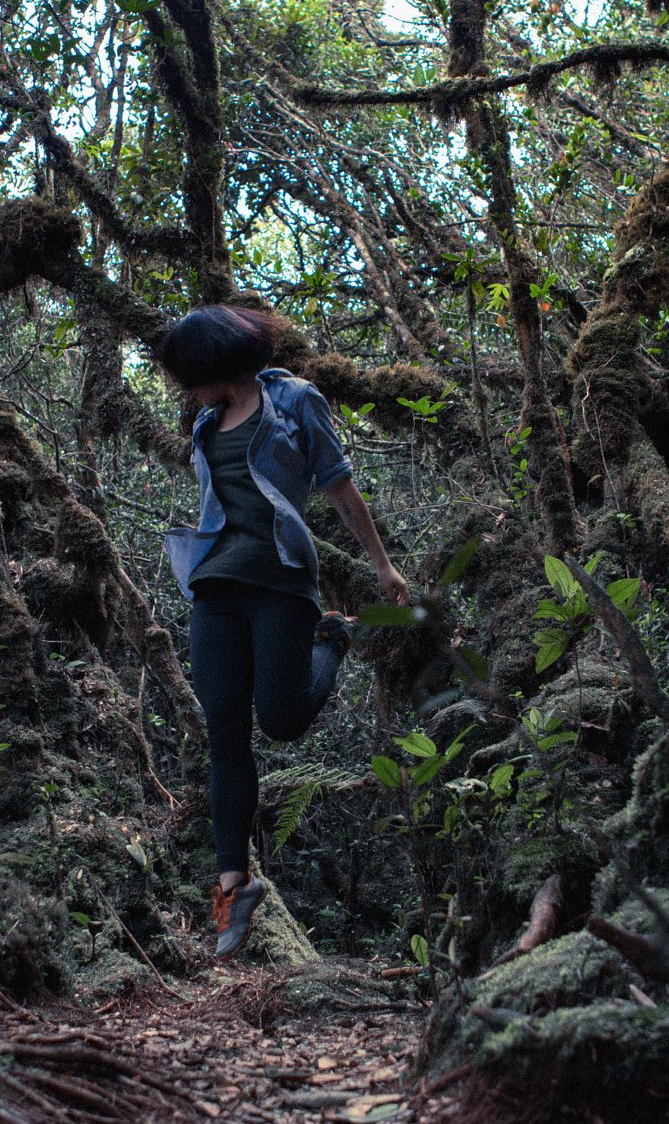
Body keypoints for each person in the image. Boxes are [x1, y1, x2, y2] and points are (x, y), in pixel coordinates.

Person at [157, 305, 409, 959]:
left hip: (282, 584)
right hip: (216, 588)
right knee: (226, 738)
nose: (185, 390)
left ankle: (330, 641)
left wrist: (381, 565)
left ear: (212, 365)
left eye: (189, 376)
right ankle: (231, 886)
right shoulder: (206, 421)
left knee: (284, 721)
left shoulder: (296, 400)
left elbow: (338, 485)